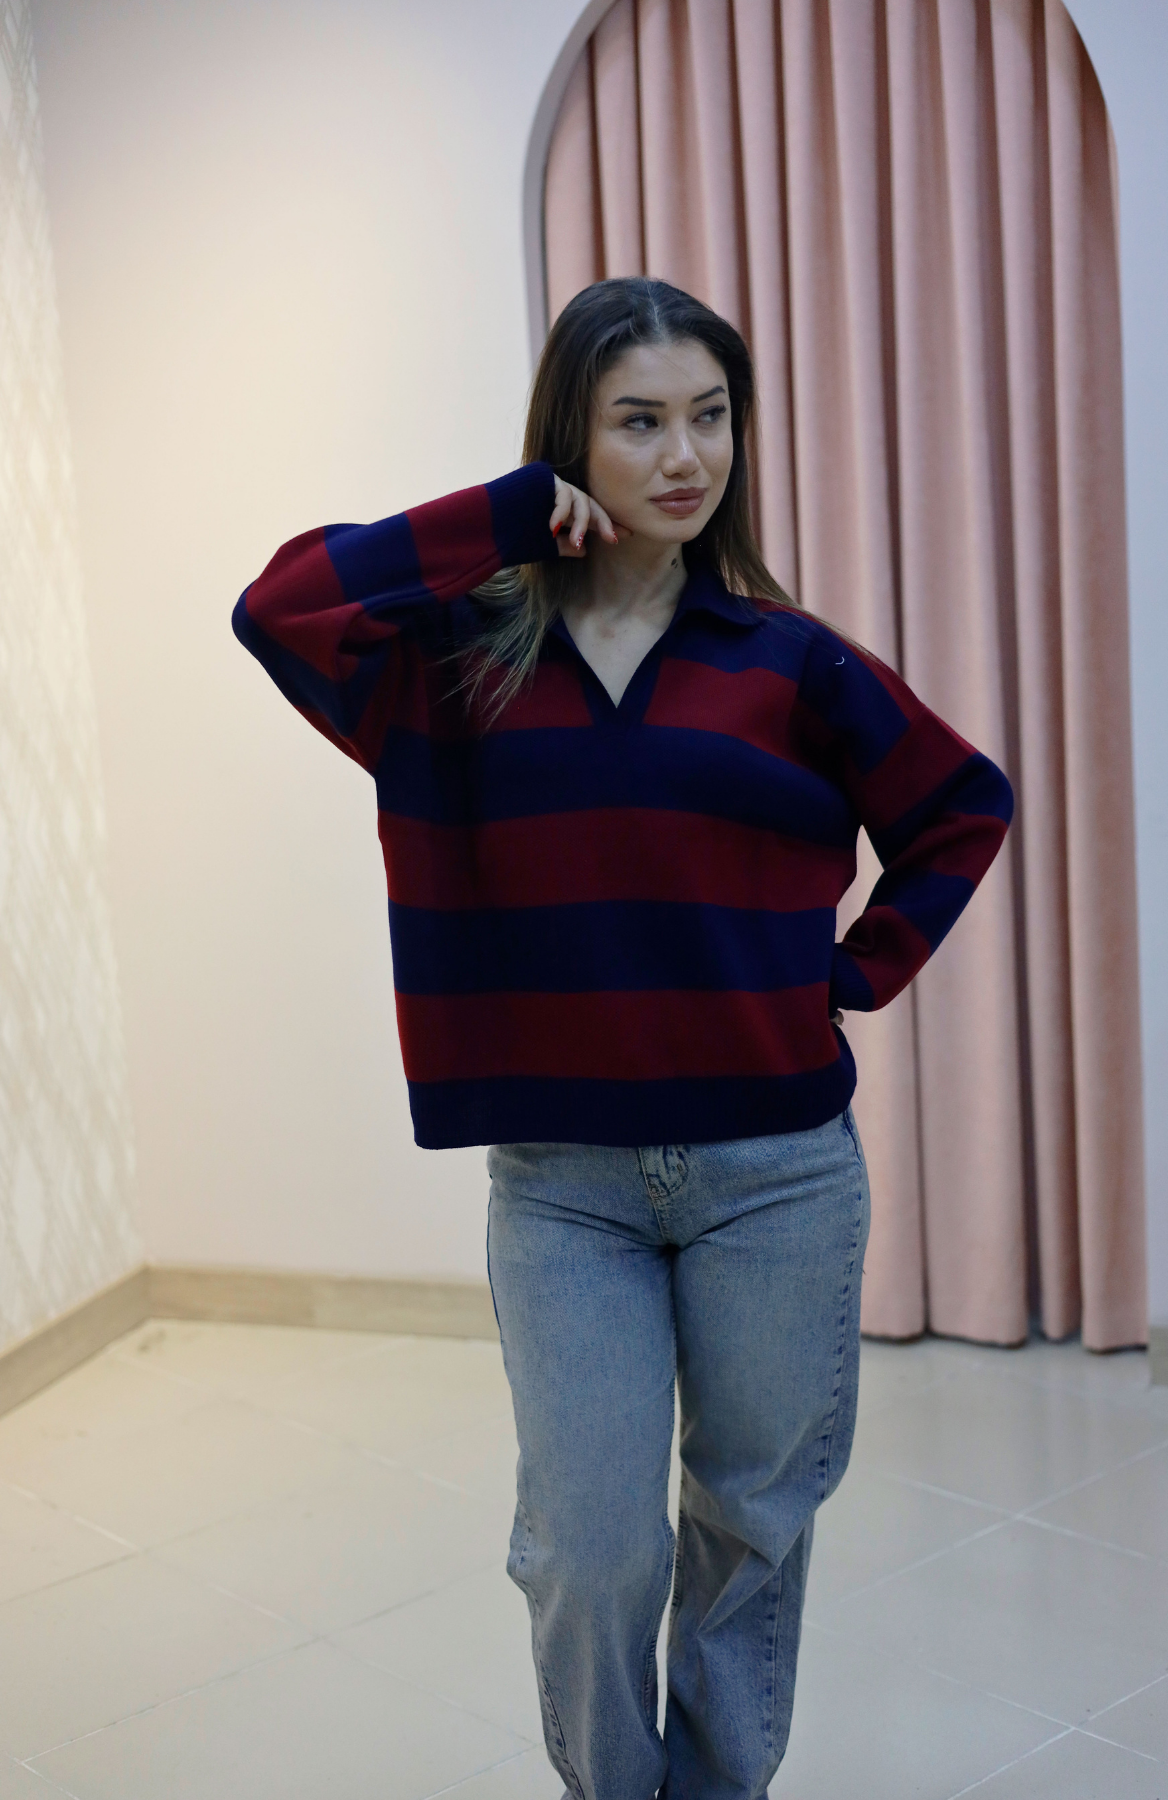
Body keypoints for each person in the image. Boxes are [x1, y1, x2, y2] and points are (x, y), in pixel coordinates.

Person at [233, 276, 1012, 1800]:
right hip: (563, 1187)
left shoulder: (787, 661)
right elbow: (281, 606)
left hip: (777, 1174)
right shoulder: (455, 663)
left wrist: (855, 974)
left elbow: (958, 805)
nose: (686, 455)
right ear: (570, 441)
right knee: (586, 1551)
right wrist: (500, 517)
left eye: (711, 417)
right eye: (640, 421)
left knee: (748, 1528)